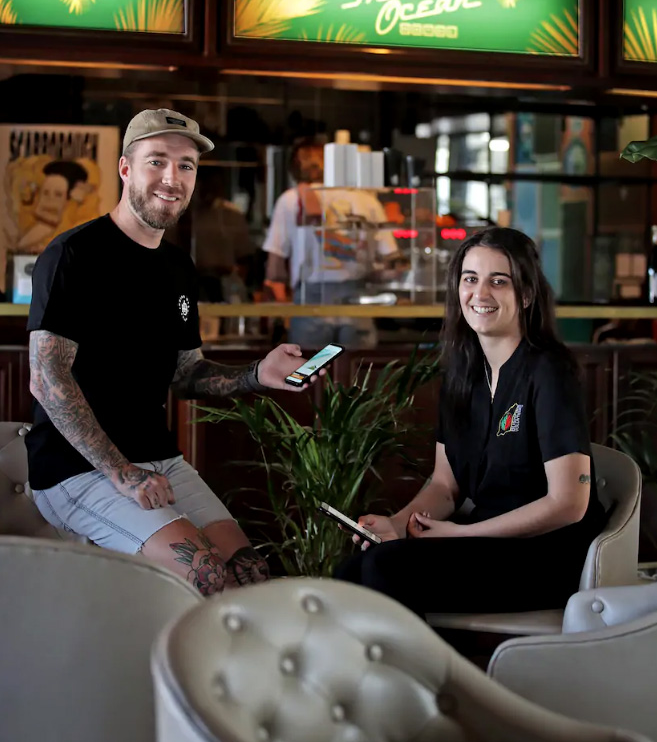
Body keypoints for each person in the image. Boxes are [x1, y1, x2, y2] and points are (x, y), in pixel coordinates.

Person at [26, 108, 324, 597]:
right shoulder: (73, 256)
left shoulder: (177, 266)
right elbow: (48, 380)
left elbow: (186, 373)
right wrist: (122, 473)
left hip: (158, 459)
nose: (172, 178)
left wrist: (256, 374)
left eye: (186, 166)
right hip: (75, 469)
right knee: (205, 574)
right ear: (125, 169)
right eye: (157, 162)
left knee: (251, 575)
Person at [336, 227, 606, 617]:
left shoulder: (549, 371)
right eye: (470, 279)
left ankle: (427, 676)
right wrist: (396, 523)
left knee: (385, 569)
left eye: (499, 281)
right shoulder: (464, 374)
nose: (480, 294)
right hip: (483, 544)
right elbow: (446, 486)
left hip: (545, 555)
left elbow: (569, 504)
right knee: (351, 571)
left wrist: (462, 533)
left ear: (526, 295)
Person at [263, 139, 400, 349]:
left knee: (310, 375)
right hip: (358, 302)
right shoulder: (366, 200)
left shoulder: (290, 200)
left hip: (311, 303)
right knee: (356, 375)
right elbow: (391, 264)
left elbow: (274, 270)